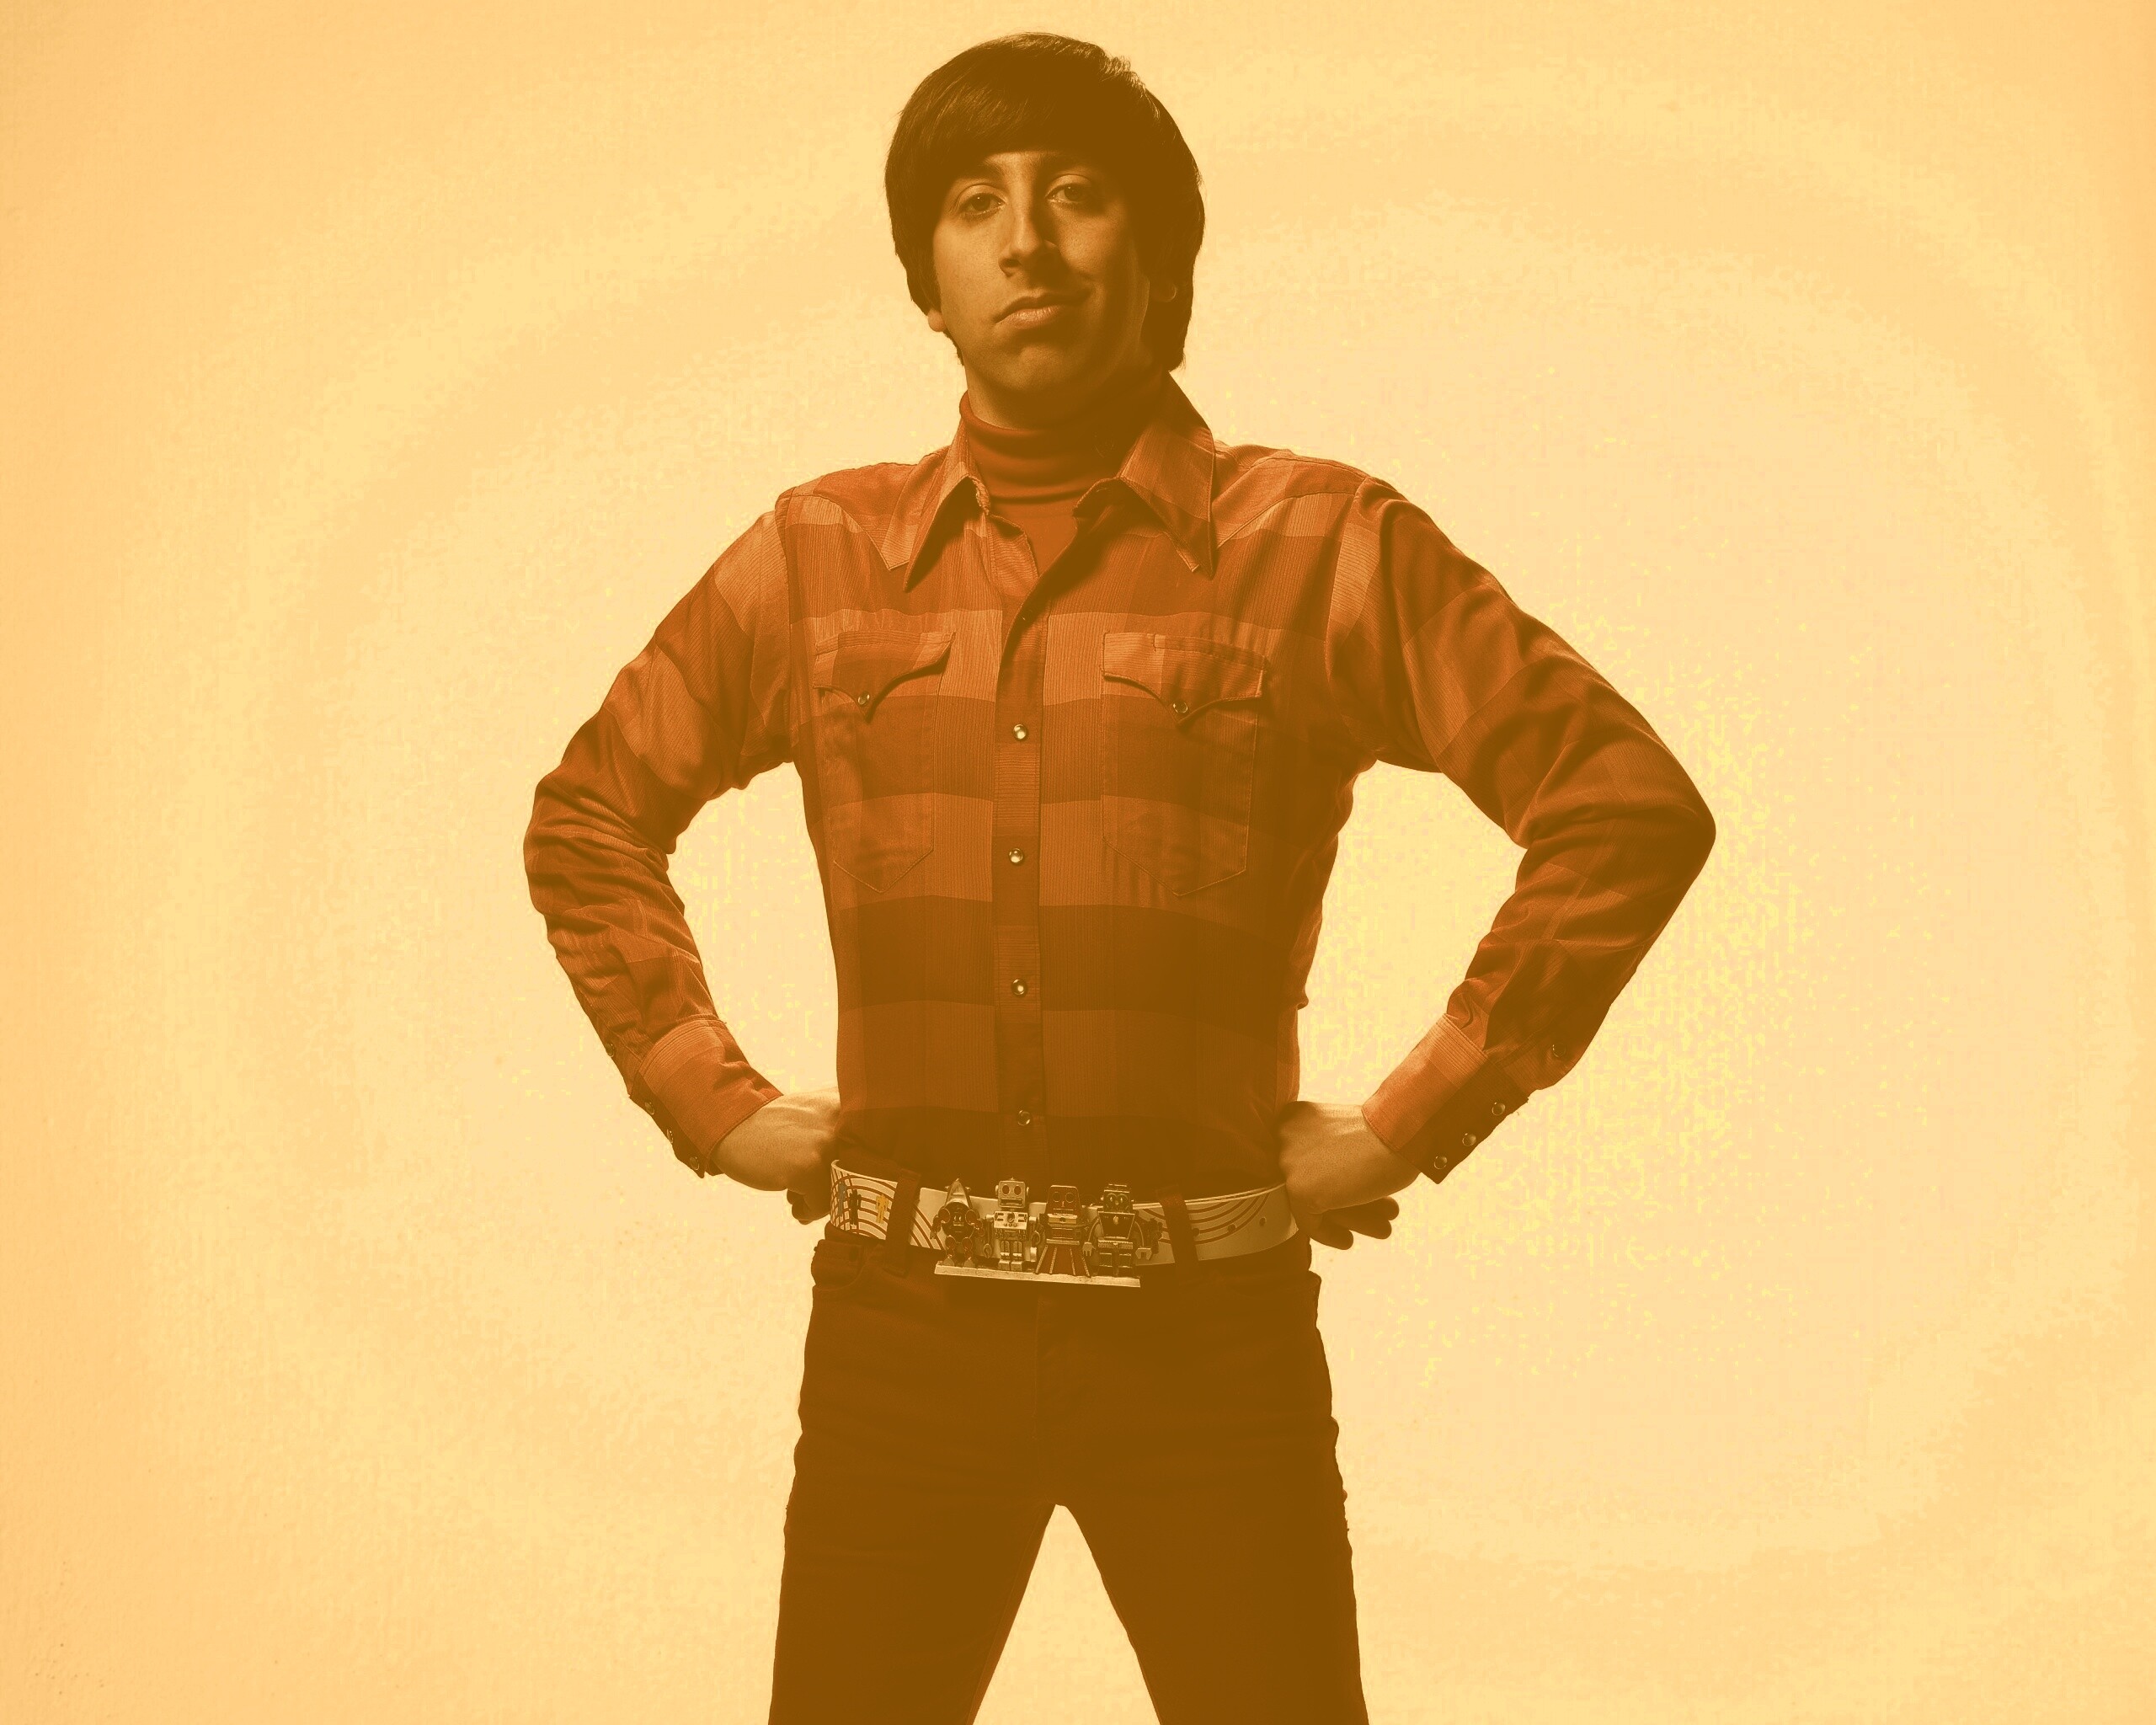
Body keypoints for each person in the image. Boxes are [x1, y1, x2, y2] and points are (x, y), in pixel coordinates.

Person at [522, 30, 1716, 1725]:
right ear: (924, 282)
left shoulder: (1321, 545)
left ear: (1160, 261)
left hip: (1208, 1341)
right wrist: (708, 1099)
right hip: (900, 1340)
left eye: (1077, 195)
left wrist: (1413, 1115)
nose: (1027, 242)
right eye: (974, 204)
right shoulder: (816, 557)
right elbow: (588, 816)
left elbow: (1619, 803)